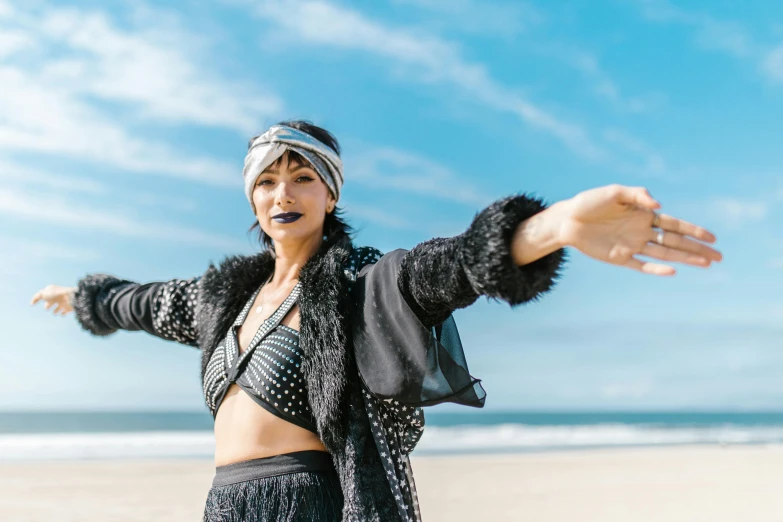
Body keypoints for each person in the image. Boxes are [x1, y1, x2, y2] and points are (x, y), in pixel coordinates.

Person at [31, 120, 722, 522]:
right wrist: (83, 298)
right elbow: (143, 302)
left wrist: (548, 227)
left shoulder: (360, 281)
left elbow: (444, 268)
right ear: (251, 194)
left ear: (329, 192)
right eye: (268, 180)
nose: (283, 193)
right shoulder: (221, 298)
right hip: (225, 504)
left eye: (303, 177)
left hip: (317, 501)